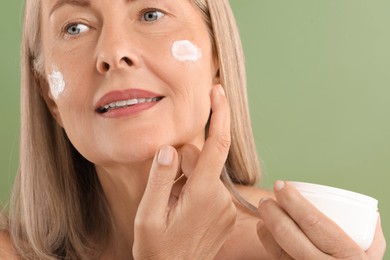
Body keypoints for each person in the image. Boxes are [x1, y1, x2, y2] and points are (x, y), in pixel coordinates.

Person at [0, 0, 386, 259]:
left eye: (150, 13)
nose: (113, 52)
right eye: (75, 27)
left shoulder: (299, 249)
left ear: (217, 56)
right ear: (48, 94)